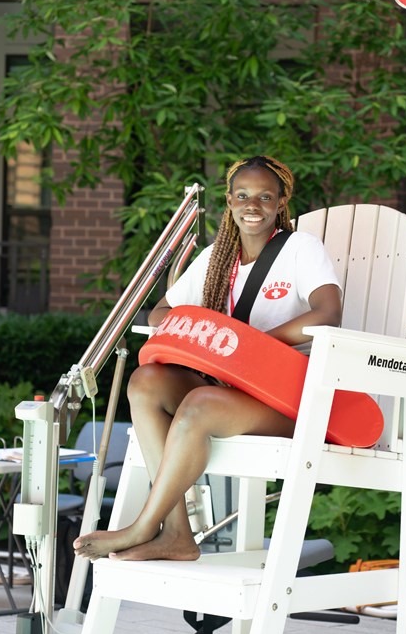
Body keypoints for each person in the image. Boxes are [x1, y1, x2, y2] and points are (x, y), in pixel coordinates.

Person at [73, 155, 342, 562]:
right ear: (229, 202)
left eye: (265, 197)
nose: (253, 205)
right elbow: (163, 312)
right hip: (230, 389)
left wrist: (252, 344)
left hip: (288, 398)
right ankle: (177, 533)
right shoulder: (217, 258)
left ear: (281, 202)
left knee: (198, 404)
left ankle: (145, 526)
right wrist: (207, 331)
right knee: (144, 382)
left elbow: (328, 313)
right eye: (242, 195)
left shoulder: (301, 249)